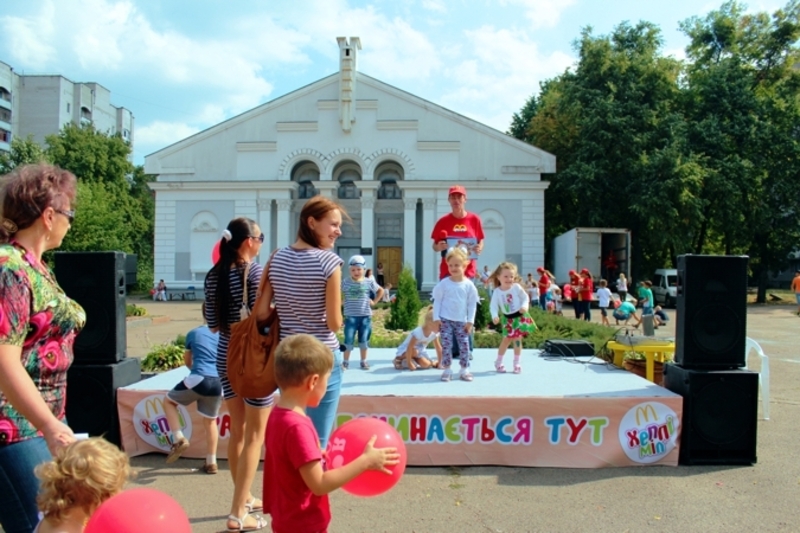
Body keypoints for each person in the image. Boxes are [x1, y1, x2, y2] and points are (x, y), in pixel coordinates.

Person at [0, 163, 86, 533]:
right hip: (14, 427)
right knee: (49, 527)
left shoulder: (36, 267)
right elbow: (4, 360)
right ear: (49, 216)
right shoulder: (10, 268)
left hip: (42, 420)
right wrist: (49, 426)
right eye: (69, 214)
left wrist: (53, 424)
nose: (71, 222)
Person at [263, 334, 399, 533]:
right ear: (313, 382)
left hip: (287, 518)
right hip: (303, 523)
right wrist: (366, 461)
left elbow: (290, 463)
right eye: (327, 380)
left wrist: (318, 457)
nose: (327, 387)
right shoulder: (297, 427)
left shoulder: (278, 415)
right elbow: (319, 484)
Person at [260, 195, 345, 450]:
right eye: (333, 224)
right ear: (311, 222)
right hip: (321, 356)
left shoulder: (276, 258)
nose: (338, 231)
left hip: (287, 357)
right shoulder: (329, 262)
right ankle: (314, 488)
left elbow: (262, 313)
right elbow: (333, 323)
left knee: (292, 434)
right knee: (317, 442)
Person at [203, 218, 268, 532]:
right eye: (260, 237)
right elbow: (265, 318)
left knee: (238, 431)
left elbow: (213, 325)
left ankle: (244, 495)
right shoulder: (254, 272)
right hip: (253, 358)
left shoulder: (213, 275)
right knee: (256, 435)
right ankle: (238, 510)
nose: (261, 243)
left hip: (225, 354)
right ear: (247, 242)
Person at [162, 304, 222, 474]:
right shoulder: (224, 335)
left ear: (204, 314)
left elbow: (188, 362)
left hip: (198, 377)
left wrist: (194, 375)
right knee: (211, 421)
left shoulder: (193, 333)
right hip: (218, 381)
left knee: (168, 401)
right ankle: (211, 462)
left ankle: (179, 438)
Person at [33, 438, 131, 533]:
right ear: (100, 497)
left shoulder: (68, 515)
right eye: (118, 488)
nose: (120, 493)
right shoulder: (63, 530)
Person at [432, 247, 479, 382]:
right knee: (446, 345)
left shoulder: (469, 285)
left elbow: (472, 304)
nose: (453, 268)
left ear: (465, 265)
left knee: (464, 345)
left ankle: (464, 369)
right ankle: (447, 369)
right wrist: (436, 318)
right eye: (450, 265)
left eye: (457, 265)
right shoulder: (444, 284)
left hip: (461, 321)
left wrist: (470, 321)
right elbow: (437, 301)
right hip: (445, 320)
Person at [489, 262, 536, 374]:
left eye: (511, 277)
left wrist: (525, 307)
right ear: (498, 277)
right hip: (508, 320)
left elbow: (525, 298)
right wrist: (495, 316)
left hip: (519, 318)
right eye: (506, 276)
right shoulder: (497, 292)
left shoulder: (516, 287)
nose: (509, 279)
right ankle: (498, 362)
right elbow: (493, 306)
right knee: (506, 340)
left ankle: (517, 363)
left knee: (518, 340)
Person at [431, 185, 485, 282]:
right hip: (447, 273)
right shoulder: (442, 222)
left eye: (459, 197)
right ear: (449, 200)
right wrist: (438, 247)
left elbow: (480, 240)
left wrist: (479, 247)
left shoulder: (475, 219)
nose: (456, 200)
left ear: (465, 199)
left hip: (468, 272)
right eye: (453, 197)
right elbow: (434, 246)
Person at [341, 255, 384, 370]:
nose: (356, 272)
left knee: (364, 339)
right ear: (349, 270)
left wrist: (374, 301)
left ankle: (363, 361)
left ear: (364, 270)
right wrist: (340, 302)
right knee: (348, 339)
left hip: (365, 317)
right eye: (353, 270)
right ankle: (345, 361)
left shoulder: (369, 282)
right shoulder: (345, 282)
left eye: (359, 269)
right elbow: (335, 293)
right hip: (350, 317)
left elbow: (381, 290)